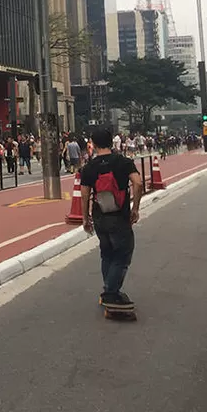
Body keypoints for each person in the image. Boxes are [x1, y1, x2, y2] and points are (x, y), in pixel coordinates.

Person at [79, 128, 143, 309]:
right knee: (122, 254)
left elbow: (84, 195)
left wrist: (85, 218)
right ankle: (111, 293)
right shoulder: (123, 162)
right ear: (111, 141)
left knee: (106, 253)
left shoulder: (89, 167)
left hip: (100, 217)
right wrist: (135, 208)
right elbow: (137, 183)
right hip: (119, 217)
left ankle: (109, 288)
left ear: (94, 143)